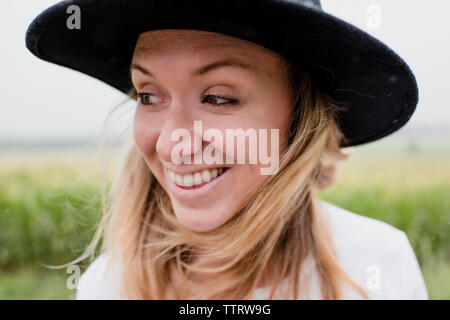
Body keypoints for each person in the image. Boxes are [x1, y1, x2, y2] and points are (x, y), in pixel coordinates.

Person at [26, 0, 428, 299]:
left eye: (217, 98)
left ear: (301, 118)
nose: (170, 144)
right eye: (149, 96)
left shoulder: (378, 264)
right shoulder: (108, 287)